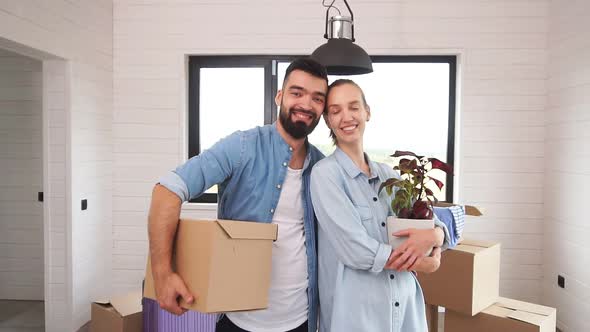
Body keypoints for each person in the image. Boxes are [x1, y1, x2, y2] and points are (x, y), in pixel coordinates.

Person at [147, 57, 328, 332]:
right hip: (240, 320)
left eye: (317, 98)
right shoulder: (242, 146)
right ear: (280, 96)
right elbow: (167, 191)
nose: (306, 103)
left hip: (302, 320)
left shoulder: (322, 167)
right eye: (297, 92)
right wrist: (163, 274)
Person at [310, 79, 450, 332]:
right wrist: (424, 263)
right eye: (336, 110)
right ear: (328, 121)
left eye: (354, 107)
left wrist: (436, 234)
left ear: (367, 112)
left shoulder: (388, 175)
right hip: (357, 318)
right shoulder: (326, 175)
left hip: (406, 312)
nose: (346, 117)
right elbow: (356, 249)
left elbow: (430, 222)